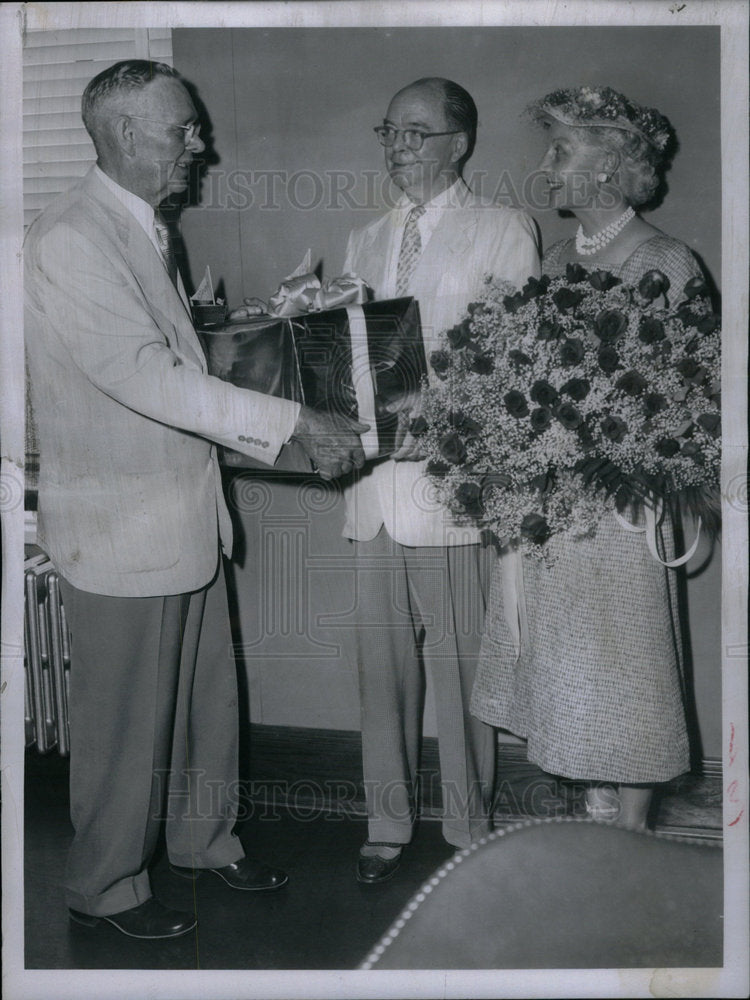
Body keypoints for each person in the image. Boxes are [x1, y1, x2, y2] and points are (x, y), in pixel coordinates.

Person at [24, 59, 367, 940]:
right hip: (119, 530)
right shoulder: (70, 237)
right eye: (183, 130)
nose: (199, 144)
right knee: (127, 722)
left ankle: (204, 842)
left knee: (203, 704)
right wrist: (291, 418)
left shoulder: (142, 229)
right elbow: (145, 377)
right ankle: (104, 887)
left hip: (182, 516)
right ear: (127, 134)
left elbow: (180, 361)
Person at [471, 85, 706, 830]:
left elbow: (683, 401)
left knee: (626, 668)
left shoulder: (668, 260)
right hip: (548, 506)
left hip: (620, 507)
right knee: (568, 673)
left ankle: (631, 835)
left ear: (609, 169)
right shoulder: (552, 259)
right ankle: (594, 816)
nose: (545, 165)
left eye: (561, 150)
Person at [342, 77, 540, 883]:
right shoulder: (360, 240)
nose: (399, 145)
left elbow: (512, 359)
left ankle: (467, 831)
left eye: (418, 132)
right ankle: (386, 822)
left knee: (464, 672)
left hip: (451, 493)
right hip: (371, 493)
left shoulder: (501, 228)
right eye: (390, 129)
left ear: (459, 143)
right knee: (376, 675)